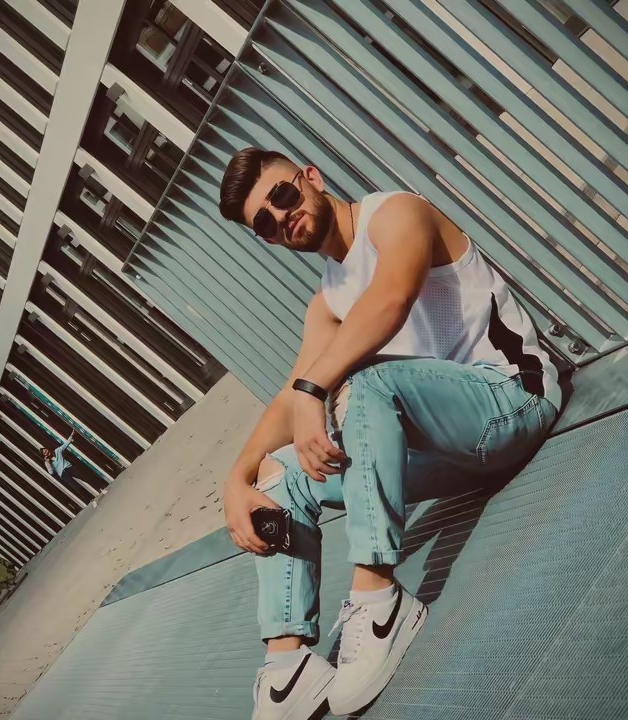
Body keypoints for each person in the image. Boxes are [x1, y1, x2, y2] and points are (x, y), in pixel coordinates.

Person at [218, 148, 560, 719]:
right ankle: (288, 666)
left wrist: (315, 389)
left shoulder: (396, 213)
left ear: (311, 178)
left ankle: (379, 601)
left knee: (365, 382)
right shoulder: (326, 304)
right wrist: (238, 476)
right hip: (451, 456)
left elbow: (390, 299)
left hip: (513, 402)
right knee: (280, 476)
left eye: (283, 195)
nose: (281, 215)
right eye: (265, 223)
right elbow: (289, 397)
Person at [41, 431, 100, 508]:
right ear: (44, 456)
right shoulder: (47, 463)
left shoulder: (57, 451)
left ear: (47, 449)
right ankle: (92, 500)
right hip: (63, 475)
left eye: (46, 450)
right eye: (44, 453)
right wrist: (48, 463)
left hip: (69, 468)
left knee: (85, 477)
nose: (46, 452)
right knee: (77, 488)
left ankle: (100, 489)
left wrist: (71, 435)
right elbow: (51, 472)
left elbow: (65, 444)